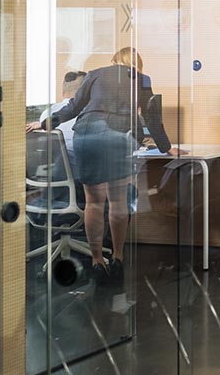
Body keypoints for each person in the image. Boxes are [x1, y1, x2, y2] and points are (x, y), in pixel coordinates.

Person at [28, 48, 182, 282]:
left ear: (114, 61)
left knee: (94, 202)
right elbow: (152, 117)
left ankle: (97, 260)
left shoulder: (96, 73)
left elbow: (73, 106)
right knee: (118, 200)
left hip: (87, 133)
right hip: (118, 135)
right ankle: (118, 257)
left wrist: (45, 123)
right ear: (137, 65)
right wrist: (166, 147)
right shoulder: (140, 79)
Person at [37, 70, 86, 165]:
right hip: (80, 173)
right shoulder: (88, 114)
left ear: (63, 92)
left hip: (55, 172)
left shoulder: (47, 113)